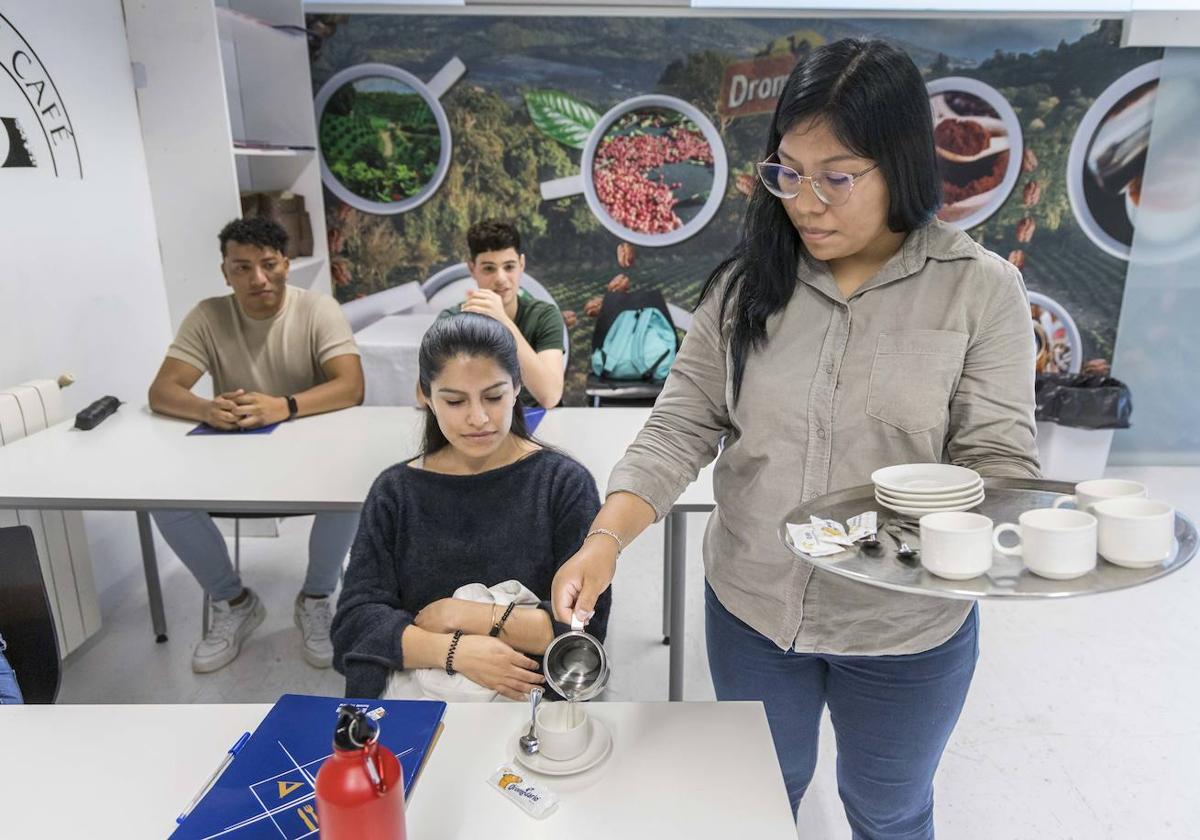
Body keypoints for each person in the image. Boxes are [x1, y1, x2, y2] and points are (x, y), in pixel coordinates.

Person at [552, 39, 1039, 837]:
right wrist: (606, 540)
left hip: (903, 629)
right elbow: (681, 425)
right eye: (786, 172)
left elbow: (999, 463)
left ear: (903, 165)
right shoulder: (749, 286)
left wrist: (982, 529)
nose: (805, 202)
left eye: (836, 177)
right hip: (752, 610)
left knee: (889, 808)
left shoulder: (980, 291)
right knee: (756, 799)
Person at [331, 313, 610, 700]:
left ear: (517, 388)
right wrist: (456, 652)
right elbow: (354, 624)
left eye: (494, 396)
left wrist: (460, 615)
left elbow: (584, 629)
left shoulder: (563, 485)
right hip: (418, 708)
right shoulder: (395, 492)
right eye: (455, 400)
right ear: (425, 396)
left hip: (532, 709)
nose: (478, 418)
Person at [148, 216, 365, 673]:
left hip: (310, 457)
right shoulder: (209, 314)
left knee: (351, 490)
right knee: (164, 500)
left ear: (287, 263)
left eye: (268, 264)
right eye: (242, 267)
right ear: (225, 272)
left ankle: (318, 595)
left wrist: (283, 406)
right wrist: (206, 409)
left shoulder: (317, 308)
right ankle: (234, 601)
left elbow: (351, 386)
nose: (258, 278)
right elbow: (162, 391)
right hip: (236, 456)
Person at [438, 219, 565, 409]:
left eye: (509, 267)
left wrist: (502, 320)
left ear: (521, 264)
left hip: (534, 419)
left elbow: (550, 396)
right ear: (472, 269)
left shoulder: (544, 315)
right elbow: (423, 396)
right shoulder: (453, 318)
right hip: (477, 420)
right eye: (489, 268)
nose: (500, 279)